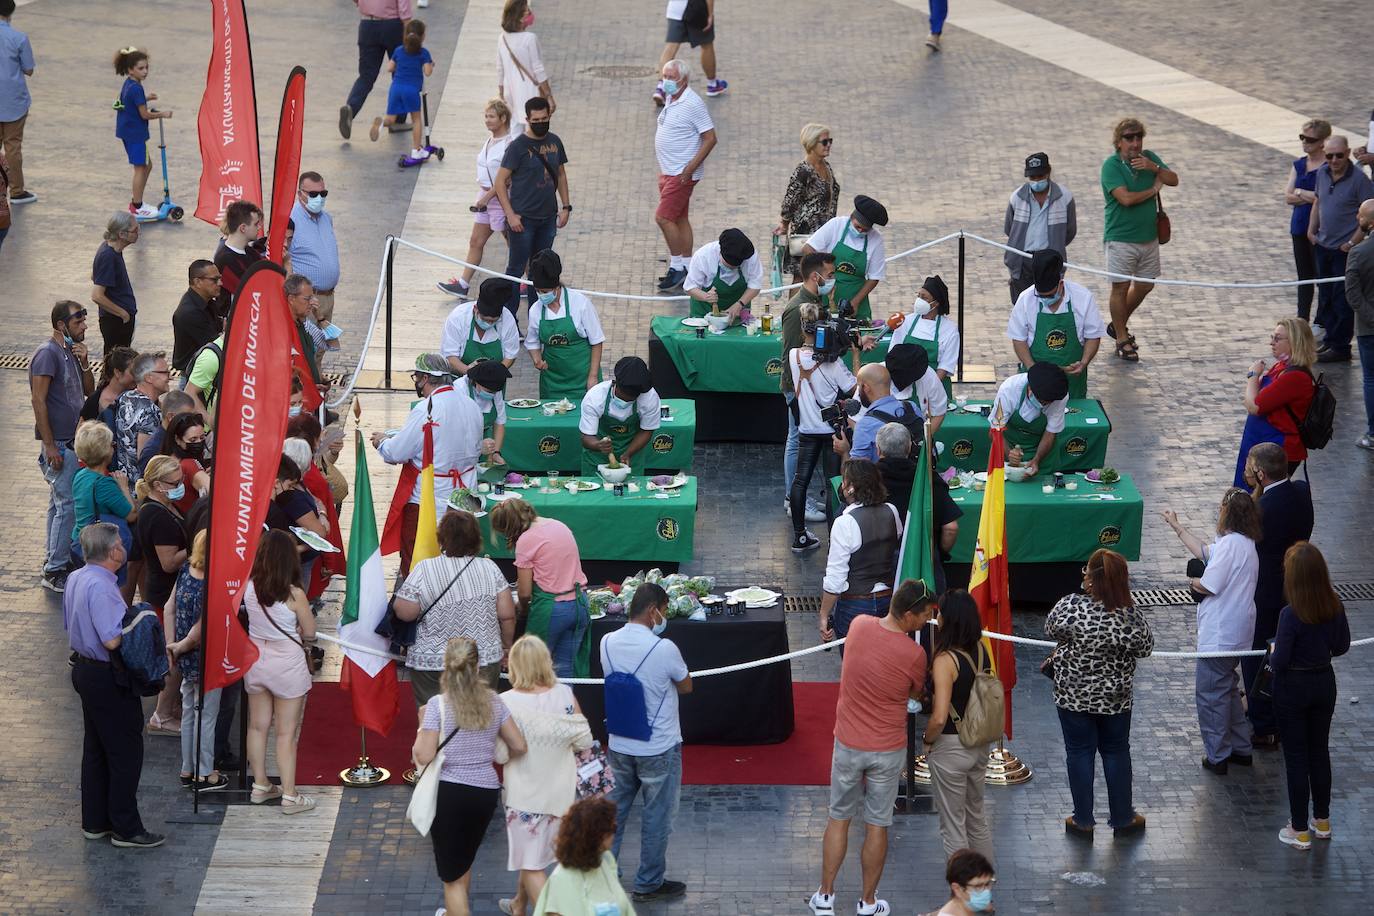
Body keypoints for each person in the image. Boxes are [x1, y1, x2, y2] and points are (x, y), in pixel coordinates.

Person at [809, 578, 933, 916]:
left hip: (848, 744)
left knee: (838, 819)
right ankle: (867, 902)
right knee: (877, 825)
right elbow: (914, 694)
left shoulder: (860, 625)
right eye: (924, 615)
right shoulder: (915, 654)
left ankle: (825, 896)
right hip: (887, 749)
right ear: (909, 614)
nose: (926, 621)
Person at [412, 636, 527, 916]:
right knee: (463, 862)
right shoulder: (493, 702)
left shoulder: (437, 705)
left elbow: (423, 755)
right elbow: (519, 745)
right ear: (477, 668)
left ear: (446, 668)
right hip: (485, 792)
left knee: (451, 878)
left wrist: (420, 725)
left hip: (449, 793)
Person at [65, 523, 163, 848]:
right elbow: (111, 640)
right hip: (107, 676)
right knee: (125, 751)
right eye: (120, 542)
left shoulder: (77, 577)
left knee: (95, 748)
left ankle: (95, 821)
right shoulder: (103, 588)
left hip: (84, 669)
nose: (124, 546)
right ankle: (126, 827)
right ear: (112, 552)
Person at [1044, 549, 1153, 838]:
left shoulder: (1070, 607)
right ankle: (1122, 817)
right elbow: (1145, 647)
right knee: (1116, 752)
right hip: (1115, 699)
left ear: (1089, 577)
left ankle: (1083, 820)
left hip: (1073, 696)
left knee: (1079, 753)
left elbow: (1049, 628)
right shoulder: (1129, 615)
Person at [602, 583, 692, 903]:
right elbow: (685, 686)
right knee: (657, 816)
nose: (664, 618)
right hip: (659, 748)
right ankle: (649, 882)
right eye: (664, 611)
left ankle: (605, 878)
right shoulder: (664, 648)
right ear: (653, 610)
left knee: (614, 813)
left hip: (619, 745)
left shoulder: (606, 642)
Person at [1163, 487, 1262, 775]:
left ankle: (1217, 755)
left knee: (1209, 694)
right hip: (1239, 632)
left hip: (1221, 634)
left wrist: (1193, 580)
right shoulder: (1244, 543)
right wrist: (1177, 526)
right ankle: (1241, 748)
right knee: (1228, 688)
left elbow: (1208, 584)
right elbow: (1206, 551)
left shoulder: (1231, 545)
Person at [496, 635, 594, 916]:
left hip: (524, 797)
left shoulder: (506, 702)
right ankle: (518, 904)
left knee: (531, 864)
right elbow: (584, 740)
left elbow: (501, 755)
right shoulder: (564, 694)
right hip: (562, 795)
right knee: (537, 855)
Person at [1271, 542, 1350, 850]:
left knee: (1296, 758)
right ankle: (1323, 821)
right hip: (1323, 684)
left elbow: (1279, 662)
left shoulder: (1290, 615)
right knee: (1319, 752)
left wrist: (1276, 650)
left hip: (1292, 688)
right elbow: (1341, 646)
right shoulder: (1334, 605)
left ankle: (1299, 829)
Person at [376, 354, 483, 574]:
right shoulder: (471, 405)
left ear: (425, 378)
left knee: (417, 558)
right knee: (459, 557)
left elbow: (398, 451)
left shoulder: (427, 408)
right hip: (465, 493)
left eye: (417, 378)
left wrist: (382, 443)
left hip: (429, 497)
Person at [393, 509, 516, 695]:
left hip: (432, 661)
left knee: (434, 717)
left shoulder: (424, 569)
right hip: (482, 658)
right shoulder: (490, 568)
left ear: (442, 537)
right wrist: (506, 647)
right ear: (476, 538)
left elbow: (404, 612)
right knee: (478, 716)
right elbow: (507, 615)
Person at [1240, 442, 1313, 747]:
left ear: (1260, 473)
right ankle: (1282, 713)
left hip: (1265, 593)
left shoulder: (1262, 510)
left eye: (1249, 465)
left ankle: (1264, 724)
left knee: (1256, 655)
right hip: (1294, 585)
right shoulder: (1300, 492)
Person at [241, 528, 317, 814]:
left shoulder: (249, 587)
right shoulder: (295, 594)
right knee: (286, 733)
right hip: (287, 663)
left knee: (257, 726)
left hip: (257, 659)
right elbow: (310, 634)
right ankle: (289, 794)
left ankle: (260, 784)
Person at [921, 590, 995, 861]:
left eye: (939, 612)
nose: (936, 616)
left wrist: (927, 740)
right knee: (977, 818)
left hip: (951, 747)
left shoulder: (945, 660)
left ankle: (963, 897)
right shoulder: (980, 649)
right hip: (979, 742)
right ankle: (983, 889)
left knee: (953, 826)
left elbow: (939, 716)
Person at [1100, 118, 1179, 362]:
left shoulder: (1149, 158)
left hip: (1149, 238)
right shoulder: (1111, 166)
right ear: (1119, 141)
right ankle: (1122, 337)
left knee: (1145, 285)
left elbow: (1173, 179)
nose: (1135, 143)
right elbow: (1126, 199)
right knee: (1120, 287)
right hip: (1121, 238)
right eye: (1129, 138)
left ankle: (1118, 324)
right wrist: (1154, 190)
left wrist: (1154, 168)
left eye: (1138, 137)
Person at [32, 301, 95, 591]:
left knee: (58, 506)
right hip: (57, 443)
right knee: (66, 506)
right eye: (78, 322)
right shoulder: (48, 354)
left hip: (70, 441)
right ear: (61, 325)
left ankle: (53, 559)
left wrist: (84, 363)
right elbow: (38, 400)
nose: (84, 326)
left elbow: (88, 391)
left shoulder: (70, 352)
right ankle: (54, 569)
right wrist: (49, 445)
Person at [490, 497, 590, 678]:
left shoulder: (526, 540)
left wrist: (524, 609)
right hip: (580, 604)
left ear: (509, 527)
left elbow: (525, 592)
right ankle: (565, 706)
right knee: (566, 671)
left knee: (532, 672)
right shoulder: (558, 524)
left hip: (552, 610)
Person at [789, 302, 857, 551]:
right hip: (831, 433)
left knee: (800, 481)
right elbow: (854, 389)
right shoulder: (834, 363)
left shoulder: (793, 355)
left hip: (806, 430)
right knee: (832, 484)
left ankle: (800, 537)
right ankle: (833, 541)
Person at [494, 97, 571, 318]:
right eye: (535, 119)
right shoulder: (517, 147)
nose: (540, 122)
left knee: (541, 271)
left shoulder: (555, 141)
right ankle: (509, 319)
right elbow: (500, 182)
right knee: (516, 271)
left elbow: (561, 174)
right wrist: (510, 215)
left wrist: (566, 206)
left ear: (549, 116)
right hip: (523, 220)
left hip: (547, 218)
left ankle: (538, 319)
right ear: (527, 119)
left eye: (544, 118)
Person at [164, 531, 228, 792]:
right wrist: (182, 645)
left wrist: (172, 647)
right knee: (208, 714)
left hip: (184, 658)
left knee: (190, 709)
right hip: (206, 656)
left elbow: (169, 608)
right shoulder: (215, 581)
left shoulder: (186, 571)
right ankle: (204, 771)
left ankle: (187, 767)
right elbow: (203, 626)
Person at [817, 460, 902, 644]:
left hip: (854, 606)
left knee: (855, 666)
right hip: (888, 601)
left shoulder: (844, 522)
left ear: (851, 487)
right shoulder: (892, 511)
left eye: (845, 480)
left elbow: (835, 578)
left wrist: (824, 615)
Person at [782, 252, 838, 525]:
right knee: (796, 440)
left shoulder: (815, 301)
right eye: (829, 275)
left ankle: (798, 498)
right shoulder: (797, 310)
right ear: (816, 276)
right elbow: (791, 354)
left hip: (806, 384)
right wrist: (795, 394)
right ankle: (793, 502)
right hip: (799, 387)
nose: (833, 280)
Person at [438, 99, 514, 299]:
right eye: (486, 116)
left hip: (500, 198)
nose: (487, 121)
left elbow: (507, 179)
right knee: (475, 241)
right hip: (485, 197)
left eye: (491, 117)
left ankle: (529, 281)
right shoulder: (489, 141)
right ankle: (463, 284)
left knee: (512, 242)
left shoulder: (510, 144)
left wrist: (487, 197)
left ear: (503, 118)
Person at [872, 422, 962, 591]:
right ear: (909, 448)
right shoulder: (929, 480)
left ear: (878, 449)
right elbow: (951, 528)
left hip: (879, 568)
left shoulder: (868, 480)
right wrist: (938, 554)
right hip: (924, 562)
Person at [134, 454, 188, 733]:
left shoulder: (162, 506)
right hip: (165, 593)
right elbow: (168, 562)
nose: (180, 485)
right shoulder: (157, 516)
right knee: (173, 658)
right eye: (175, 482)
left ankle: (171, 708)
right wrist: (197, 549)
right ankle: (162, 715)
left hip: (164, 591)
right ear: (157, 484)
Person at [652, 58, 716, 293]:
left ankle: (677, 265)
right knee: (679, 218)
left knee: (663, 217)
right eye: (665, 77)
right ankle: (688, 267)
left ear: (684, 80)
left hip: (681, 173)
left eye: (671, 78)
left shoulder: (693, 103)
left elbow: (710, 138)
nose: (667, 82)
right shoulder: (672, 97)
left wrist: (690, 168)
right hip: (668, 170)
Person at [1308, 135, 1374, 363]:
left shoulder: (1359, 180)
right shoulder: (1321, 174)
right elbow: (1318, 201)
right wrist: (1311, 230)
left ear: (1347, 153)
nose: (1334, 160)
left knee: (1342, 297)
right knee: (1325, 295)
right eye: (1329, 156)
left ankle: (1340, 345)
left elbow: (1368, 214)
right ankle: (1330, 339)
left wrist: (1352, 243)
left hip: (1343, 248)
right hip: (1323, 245)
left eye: (1339, 155)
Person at [1007, 249, 1104, 399]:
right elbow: (1018, 339)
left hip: (1072, 382)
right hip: (1035, 384)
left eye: (1051, 295)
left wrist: (1084, 362)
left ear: (1060, 284)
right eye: (1042, 296)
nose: (1047, 299)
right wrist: (1032, 368)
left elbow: (1093, 336)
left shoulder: (1083, 298)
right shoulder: (1025, 300)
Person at [1235, 317, 1317, 486]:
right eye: (1272, 337)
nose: (1272, 343)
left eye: (1277, 339)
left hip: (1277, 450)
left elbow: (1253, 405)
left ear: (1295, 342)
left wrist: (1253, 375)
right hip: (1262, 443)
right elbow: (1252, 400)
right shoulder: (1281, 367)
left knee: (1258, 504)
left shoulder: (1294, 377)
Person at [531, 796, 636, 916]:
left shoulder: (606, 860)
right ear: (596, 836)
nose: (614, 834)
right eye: (613, 828)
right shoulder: (562, 880)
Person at [525, 249, 606, 399]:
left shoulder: (580, 303)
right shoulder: (536, 310)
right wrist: (537, 360)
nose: (541, 295)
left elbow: (596, 341)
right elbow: (532, 342)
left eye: (545, 291)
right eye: (538, 291)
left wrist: (593, 377)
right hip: (552, 382)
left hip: (583, 379)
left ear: (556, 287)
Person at [70, 421, 137, 585]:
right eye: (111, 444)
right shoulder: (104, 484)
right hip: (102, 549)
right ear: (106, 452)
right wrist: (124, 487)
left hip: (80, 541)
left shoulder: (81, 475)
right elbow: (132, 515)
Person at [1005, 153, 1077, 303]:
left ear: (1048, 172)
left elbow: (1070, 231)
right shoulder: (1017, 197)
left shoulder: (1064, 197)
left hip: (1050, 261)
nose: (1037, 181)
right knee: (1022, 307)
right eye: (1033, 178)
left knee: (1050, 305)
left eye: (1040, 176)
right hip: (1023, 261)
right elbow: (1010, 229)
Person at [804, 195, 889, 320]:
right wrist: (822, 277)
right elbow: (808, 248)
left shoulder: (876, 239)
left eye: (864, 230)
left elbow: (874, 277)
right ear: (851, 217)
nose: (860, 231)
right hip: (826, 295)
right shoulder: (836, 225)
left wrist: (855, 302)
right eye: (857, 226)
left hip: (855, 297)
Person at [111, 47, 171, 220]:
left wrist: (146, 98)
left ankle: (138, 203)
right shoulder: (136, 88)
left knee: (146, 165)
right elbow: (144, 114)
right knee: (141, 168)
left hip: (127, 131)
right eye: (141, 68)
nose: (145, 72)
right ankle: (137, 206)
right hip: (135, 134)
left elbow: (129, 101)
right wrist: (162, 114)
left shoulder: (130, 84)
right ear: (130, 69)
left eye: (146, 68)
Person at [339, 0, 411, 140]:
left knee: (366, 76)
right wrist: (409, 33)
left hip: (367, 25)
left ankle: (351, 109)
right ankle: (398, 119)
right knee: (400, 74)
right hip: (393, 26)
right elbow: (404, 8)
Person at [578, 356, 662, 476]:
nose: (626, 402)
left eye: (632, 399)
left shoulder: (650, 398)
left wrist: (628, 453)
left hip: (632, 455)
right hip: (597, 458)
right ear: (615, 383)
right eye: (623, 397)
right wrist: (598, 445)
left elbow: (646, 431)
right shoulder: (595, 397)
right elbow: (586, 437)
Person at [776, 123, 839, 280]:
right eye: (824, 142)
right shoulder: (803, 171)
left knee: (821, 275)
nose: (829, 145)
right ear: (811, 144)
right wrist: (784, 224)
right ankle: (796, 306)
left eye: (830, 141)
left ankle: (817, 305)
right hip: (805, 234)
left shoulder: (826, 166)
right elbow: (790, 200)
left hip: (823, 232)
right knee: (802, 277)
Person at [1286, 120, 1331, 321]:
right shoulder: (1299, 164)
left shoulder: (1328, 166)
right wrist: (1310, 195)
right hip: (1298, 227)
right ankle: (1301, 319)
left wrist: (1300, 193)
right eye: (1302, 138)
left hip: (1321, 229)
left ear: (1322, 142)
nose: (1305, 143)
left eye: (1311, 140)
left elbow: (1324, 198)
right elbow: (1288, 196)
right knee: (1304, 278)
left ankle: (1321, 321)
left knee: (1322, 277)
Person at [370, 19, 434, 162]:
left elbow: (389, 68)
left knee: (391, 119)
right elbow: (428, 72)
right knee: (416, 119)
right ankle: (416, 150)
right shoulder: (423, 53)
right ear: (423, 36)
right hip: (411, 90)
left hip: (396, 88)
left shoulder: (399, 50)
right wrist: (430, 64)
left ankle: (381, 124)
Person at [992, 361, 1069, 478]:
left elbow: (1050, 433)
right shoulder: (1009, 389)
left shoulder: (1058, 396)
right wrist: (1011, 457)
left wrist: (1037, 460)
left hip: (1043, 455)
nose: (1044, 405)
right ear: (1030, 389)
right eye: (1042, 402)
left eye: (1048, 403)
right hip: (1009, 446)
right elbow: (995, 430)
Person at [890, 276, 958, 398]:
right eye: (919, 296)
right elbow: (893, 353)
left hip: (934, 387)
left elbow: (945, 366)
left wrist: (930, 390)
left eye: (924, 297)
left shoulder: (949, 329)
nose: (919, 300)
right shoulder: (906, 321)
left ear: (936, 303)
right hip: (904, 386)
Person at [441, 276, 522, 375]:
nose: (489, 324)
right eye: (485, 319)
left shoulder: (507, 319)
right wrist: (471, 373)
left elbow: (510, 356)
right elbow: (450, 355)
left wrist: (493, 376)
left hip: (493, 384)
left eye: (494, 321)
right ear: (475, 309)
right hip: (459, 380)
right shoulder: (458, 317)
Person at [288, 172, 341, 323]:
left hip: (328, 297)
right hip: (306, 301)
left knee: (322, 345)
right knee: (305, 345)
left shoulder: (326, 218)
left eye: (323, 193)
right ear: (300, 194)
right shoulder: (290, 220)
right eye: (313, 194)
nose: (319, 198)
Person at [842, 363, 921, 464]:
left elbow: (856, 474)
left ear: (866, 388)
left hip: (883, 479)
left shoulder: (865, 424)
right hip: (917, 477)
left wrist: (844, 452)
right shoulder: (912, 407)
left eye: (859, 387)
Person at [497, 0, 554, 133]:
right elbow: (538, 69)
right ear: (519, 17)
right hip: (529, 91)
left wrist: (501, 93)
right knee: (533, 129)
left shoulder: (502, 38)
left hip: (510, 91)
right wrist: (549, 96)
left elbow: (500, 69)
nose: (530, 14)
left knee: (514, 129)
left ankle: (514, 153)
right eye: (526, 12)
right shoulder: (529, 38)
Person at [113, 351, 168, 483]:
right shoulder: (149, 411)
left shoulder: (126, 397)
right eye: (165, 372)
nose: (169, 377)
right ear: (149, 377)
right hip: (139, 489)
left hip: (124, 482)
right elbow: (146, 460)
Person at [655, 0, 725, 105]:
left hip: (675, 9)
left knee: (671, 46)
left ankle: (661, 87)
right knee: (706, 45)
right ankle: (712, 84)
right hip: (696, 9)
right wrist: (710, 14)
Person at [683, 227, 761, 321]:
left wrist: (739, 304)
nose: (732, 269)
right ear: (720, 252)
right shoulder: (703, 256)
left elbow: (755, 285)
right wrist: (706, 296)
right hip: (703, 315)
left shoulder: (749, 255)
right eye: (729, 266)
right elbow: (689, 287)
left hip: (736, 314)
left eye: (736, 267)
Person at [1, 0, 36, 206]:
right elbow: (29, 69)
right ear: (11, 12)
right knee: (12, 147)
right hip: (14, 100)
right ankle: (16, 191)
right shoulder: (19, 38)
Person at [91, 211, 140, 352]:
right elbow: (96, 295)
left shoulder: (113, 249)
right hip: (115, 321)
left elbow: (95, 275)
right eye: (135, 230)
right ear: (122, 234)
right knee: (115, 364)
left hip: (120, 318)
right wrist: (122, 314)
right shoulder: (108, 255)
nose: (138, 233)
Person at [1348, 198, 1374, 451]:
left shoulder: (1358, 252)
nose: (1358, 218)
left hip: (1369, 330)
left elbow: (1353, 295)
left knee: (1371, 380)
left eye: (1361, 216)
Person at [457, 359, 514, 468]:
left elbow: (500, 423)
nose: (492, 395)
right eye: (488, 392)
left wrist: (496, 453)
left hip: (484, 439)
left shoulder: (495, 391)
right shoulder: (460, 390)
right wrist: (477, 447)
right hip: (461, 444)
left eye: (494, 392)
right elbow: (456, 430)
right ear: (476, 381)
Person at [883, 344, 948, 438]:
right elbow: (857, 419)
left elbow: (939, 413)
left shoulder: (928, 375)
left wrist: (924, 440)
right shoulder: (875, 375)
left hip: (916, 438)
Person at [171, 260, 224, 372]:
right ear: (198, 282)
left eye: (220, 278)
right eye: (214, 280)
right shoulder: (190, 313)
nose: (220, 283)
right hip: (194, 376)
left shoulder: (206, 301)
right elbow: (216, 345)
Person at [213, 200, 266, 305]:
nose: (259, 228)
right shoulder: (225, 259)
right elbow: (253, 290)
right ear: (243, 228)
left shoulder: (249, 251)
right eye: (256, 224)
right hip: (236, 318)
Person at [137, 389, 198, 475]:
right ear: (171, 417)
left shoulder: (182, 439)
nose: (192, 422)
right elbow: (147, 484)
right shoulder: (154, 449)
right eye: (186, 417)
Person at [921, 849, 997, 916]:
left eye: (987, 884)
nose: (986, 891)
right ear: (957, 888)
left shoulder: (967, 909)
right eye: (978, 886)